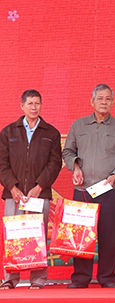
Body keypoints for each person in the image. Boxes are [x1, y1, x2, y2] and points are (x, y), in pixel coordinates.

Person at [62, 84, 115, 289]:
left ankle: (106, 278)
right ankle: (81, 278)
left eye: (108, 99)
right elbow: (67, 152)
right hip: (82, 190)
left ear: (112, 102)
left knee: (109, 236)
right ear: (91, 101)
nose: (104, 102)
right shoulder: (78, 126)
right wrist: (75, 165)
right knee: (81, 236)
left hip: (109, 189)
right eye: (100, 98)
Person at [0, 90, 62, 289]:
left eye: (37, 103)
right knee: (13, 235)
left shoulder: (51, 133)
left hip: (39, 194)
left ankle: (38, 279)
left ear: (41, 106)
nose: (34, 107)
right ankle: (10, 279)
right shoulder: (8, 132)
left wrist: (40, 186)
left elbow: (54, 163)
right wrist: (12, 187)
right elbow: (2, 163)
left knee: (39, 236)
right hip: (14, 195)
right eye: (30, 104)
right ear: (22, 106)